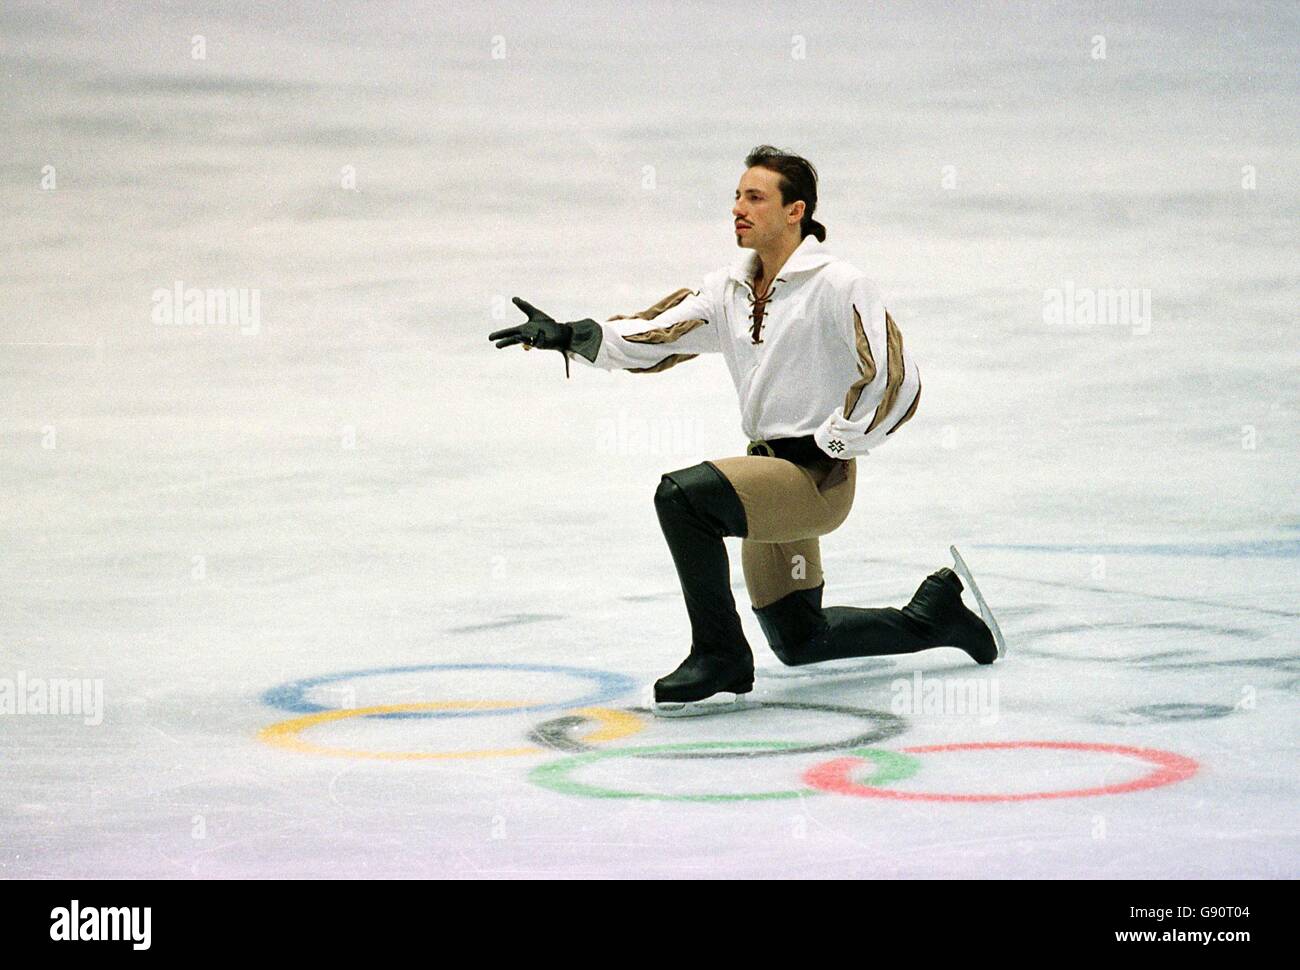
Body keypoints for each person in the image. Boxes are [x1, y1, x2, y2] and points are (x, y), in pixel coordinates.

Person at [489, 145, 1003, 715]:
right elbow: (654, 334)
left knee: (683, 499)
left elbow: (892, 378)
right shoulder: (728, 290)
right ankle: (932, 618)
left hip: (813, 480)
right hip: (768, 480)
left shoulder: (838, 284)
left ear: (795, 211)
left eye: (755, 197)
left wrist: (834, 441)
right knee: (800, 640)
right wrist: (571, 335)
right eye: (737, 196)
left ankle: (720, 655)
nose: (739, 208)